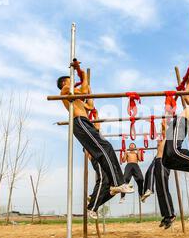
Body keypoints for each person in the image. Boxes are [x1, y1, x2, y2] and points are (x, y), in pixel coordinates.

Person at [57, 61, 134, 205]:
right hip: (79, 122)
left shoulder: (75, 98)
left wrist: (82, 75)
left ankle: (115, 184)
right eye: (70, 79)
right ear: (64, 83)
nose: (73, 82)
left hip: (84, 122)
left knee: (107, 148)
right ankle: (117, 183)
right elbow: (84, 90)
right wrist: (83, 75)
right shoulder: (66, 89)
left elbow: (89, 104)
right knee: (105, 148)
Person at [155, 137, 175, 229]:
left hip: (163, 163)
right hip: (158, 163)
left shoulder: (166, 140)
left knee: (164, 189)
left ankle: (171, 215)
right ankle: (166, 216)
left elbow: (165, 129)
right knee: (159, 191)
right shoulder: (159, 144)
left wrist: (163, 123)